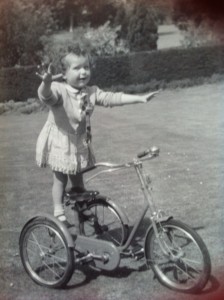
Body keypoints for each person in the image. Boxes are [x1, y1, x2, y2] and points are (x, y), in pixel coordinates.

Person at [36, 44, 159, 226]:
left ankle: (82, 205)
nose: (83, 72)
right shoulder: (59, 89)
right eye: (77, 68)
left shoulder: (91, 91)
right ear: (64, 73)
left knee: (78, 176)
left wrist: (139, 98)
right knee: (60, 177)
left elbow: (112, 98)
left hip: (78, 141)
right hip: (61, 140)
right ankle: (59, 211)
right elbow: (46, 96)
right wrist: (45, 82)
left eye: (86, 67)